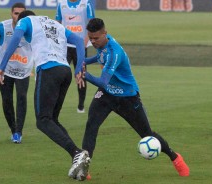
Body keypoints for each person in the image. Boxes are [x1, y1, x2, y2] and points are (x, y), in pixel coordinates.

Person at [80, 18, 190, 178]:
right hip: (107, 95)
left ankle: (176, 158)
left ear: (105, 33)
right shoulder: (103, 45)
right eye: (90, 38)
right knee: (91, 125)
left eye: (96, 38)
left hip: (127, 98)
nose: (93, 41)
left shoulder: (114, 52)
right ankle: (84, 168)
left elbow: (103, 81)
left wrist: (83, 73)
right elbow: (100, 57)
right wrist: (83, 61)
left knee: (147, 134)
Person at [0, 10, 90, 181]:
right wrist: (78, 68)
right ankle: (79, 158)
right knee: (53, 119)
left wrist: (2, 66)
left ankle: (76, 153)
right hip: (65, 72)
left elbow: (15, 38)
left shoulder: (26, 21)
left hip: (48, 70)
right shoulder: (55, 24)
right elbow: (78, 40)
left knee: (43, 120)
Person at [0, 2, 33, 144]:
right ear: (11, 13)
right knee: (7, 99)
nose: (19, 17)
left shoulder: (32, 28)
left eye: (22, 14)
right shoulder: (2, 27)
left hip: (23, 70)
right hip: (4, 70)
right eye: (16, 13)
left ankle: (19, 132)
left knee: (22, 97)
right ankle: (13, 129)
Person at [55, 0, 95, 113]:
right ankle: (57, 103)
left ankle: (81, 105)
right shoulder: (61, 4)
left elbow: (92, 24)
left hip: (80, 46)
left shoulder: (86, 3)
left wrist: (86, 42)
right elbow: (57, 23)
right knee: (60, 75)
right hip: (65, 46)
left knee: (81, 75)